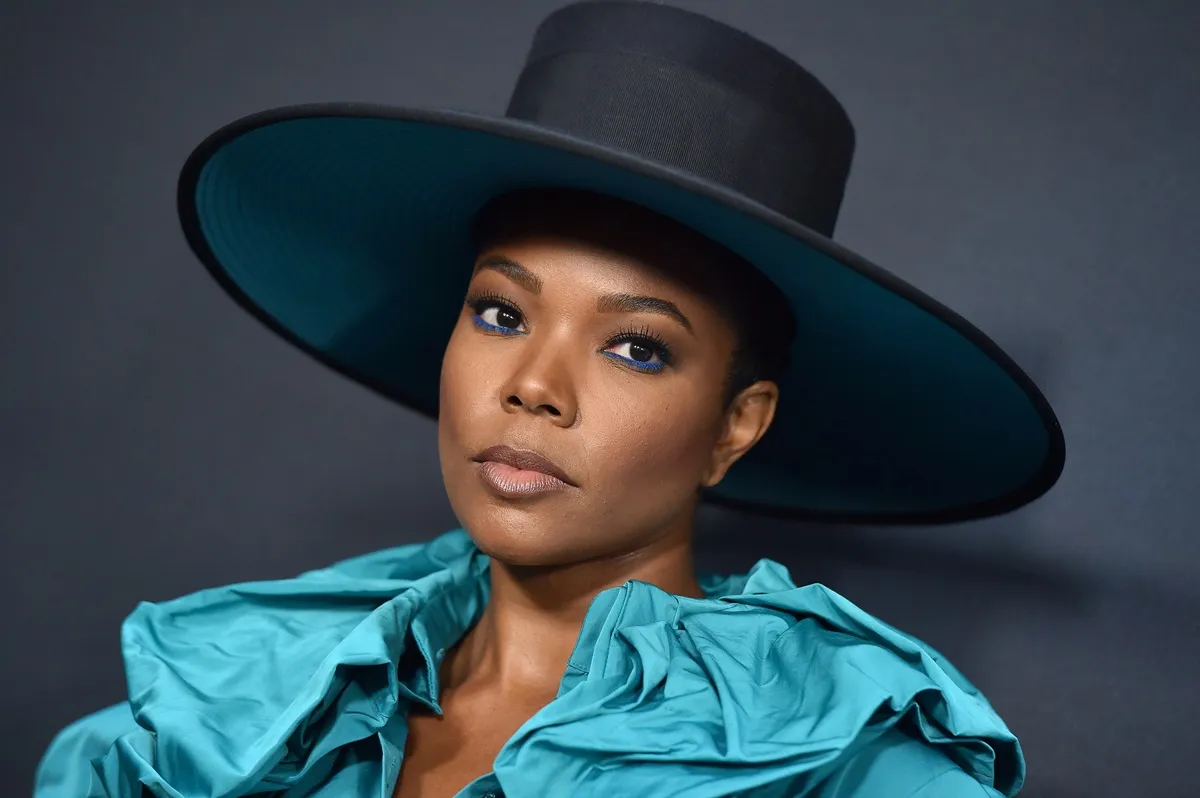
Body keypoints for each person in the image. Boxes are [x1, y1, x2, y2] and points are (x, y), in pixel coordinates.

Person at [34, 2, 1064, 796]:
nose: (532, 386)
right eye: (498, 312)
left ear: (735, 426)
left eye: (636, 347)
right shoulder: (244, 695)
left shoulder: (841, 758)